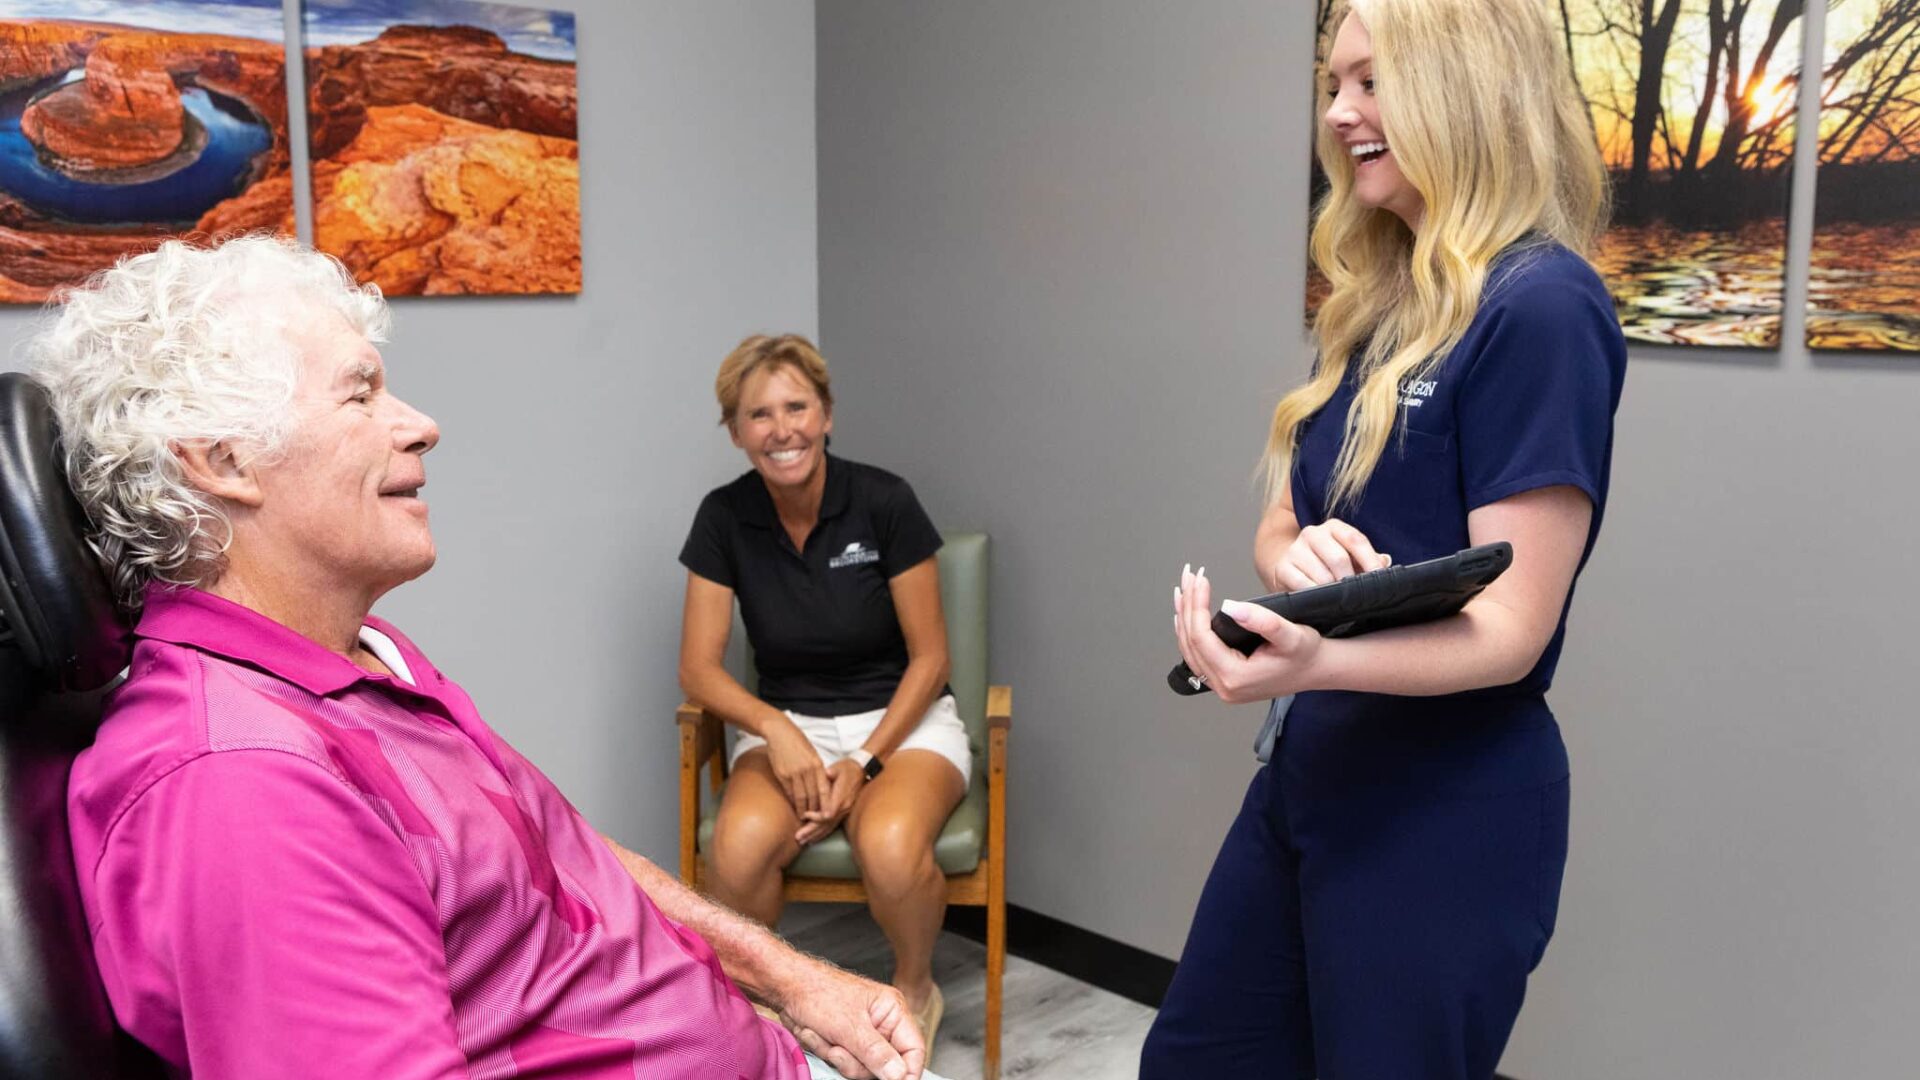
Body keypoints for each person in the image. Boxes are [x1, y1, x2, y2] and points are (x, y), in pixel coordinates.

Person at [33, 236, 945, 1080]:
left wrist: (794, 983)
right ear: (224, 459)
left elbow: (562, 852)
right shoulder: (243, 788)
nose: (422, 425)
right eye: (360, 393)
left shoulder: (362, 655)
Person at [1142, 1, 1626, 1077]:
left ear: (1462, 86)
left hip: (1444, 811)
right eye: (1333, 84)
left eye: (1369, 81)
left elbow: (1509, 627)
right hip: (1314, 775)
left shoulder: (1542, 307)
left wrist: (1319, 658)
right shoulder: (1383, 293)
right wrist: (1291, 567)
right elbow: (1289, 512)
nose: (1338, 111)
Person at [677, 334, 967, 1047]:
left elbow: (931, 660)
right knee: (737, 850)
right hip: (787, 723)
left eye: (797, 407)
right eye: (759, 415)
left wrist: (865, 760)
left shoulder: (884, 501)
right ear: (736, 432)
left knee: (891, 845)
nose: (782, 430)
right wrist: (777, 730)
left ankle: (913, 988)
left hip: (904, 724)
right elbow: (700, 669)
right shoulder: (723, 517)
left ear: (827, 414)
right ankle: (774, 1006)